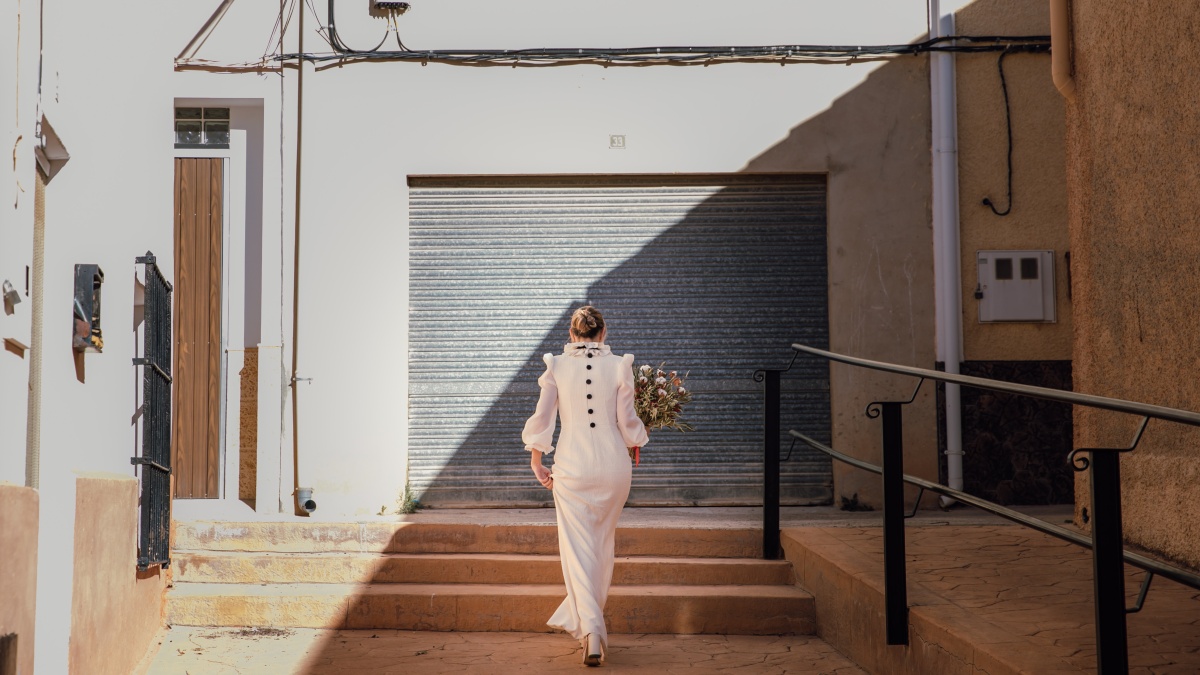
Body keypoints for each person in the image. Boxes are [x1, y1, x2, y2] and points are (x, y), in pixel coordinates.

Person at [522, 305, 649, 667]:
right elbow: (628, 424)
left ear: (572, 334)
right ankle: (591, 629)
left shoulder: (557, 367)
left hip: (572, 467)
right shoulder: (620, 365)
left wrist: (536, 462)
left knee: (578, 552)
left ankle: (592, 631)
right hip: (613, 467)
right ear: (603, 333)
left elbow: (543, 417)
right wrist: (641, 434)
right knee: (602, 545)